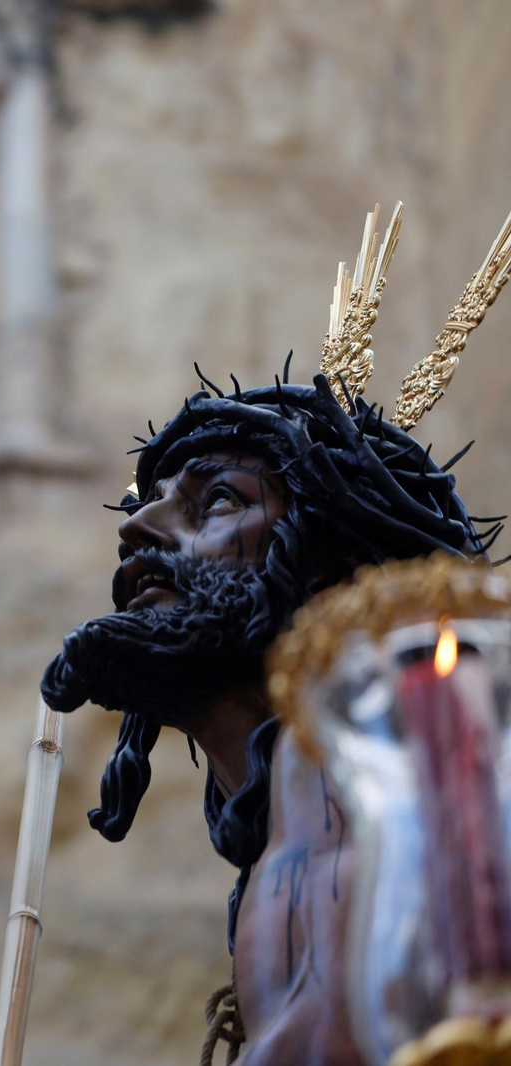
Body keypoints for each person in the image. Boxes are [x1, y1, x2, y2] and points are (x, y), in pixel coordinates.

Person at [40, 365, 497, 1064]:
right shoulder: (284, 836)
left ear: (333, 572)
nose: (136, 527)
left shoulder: (435, 787)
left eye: (214, 502)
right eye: (150, 500)